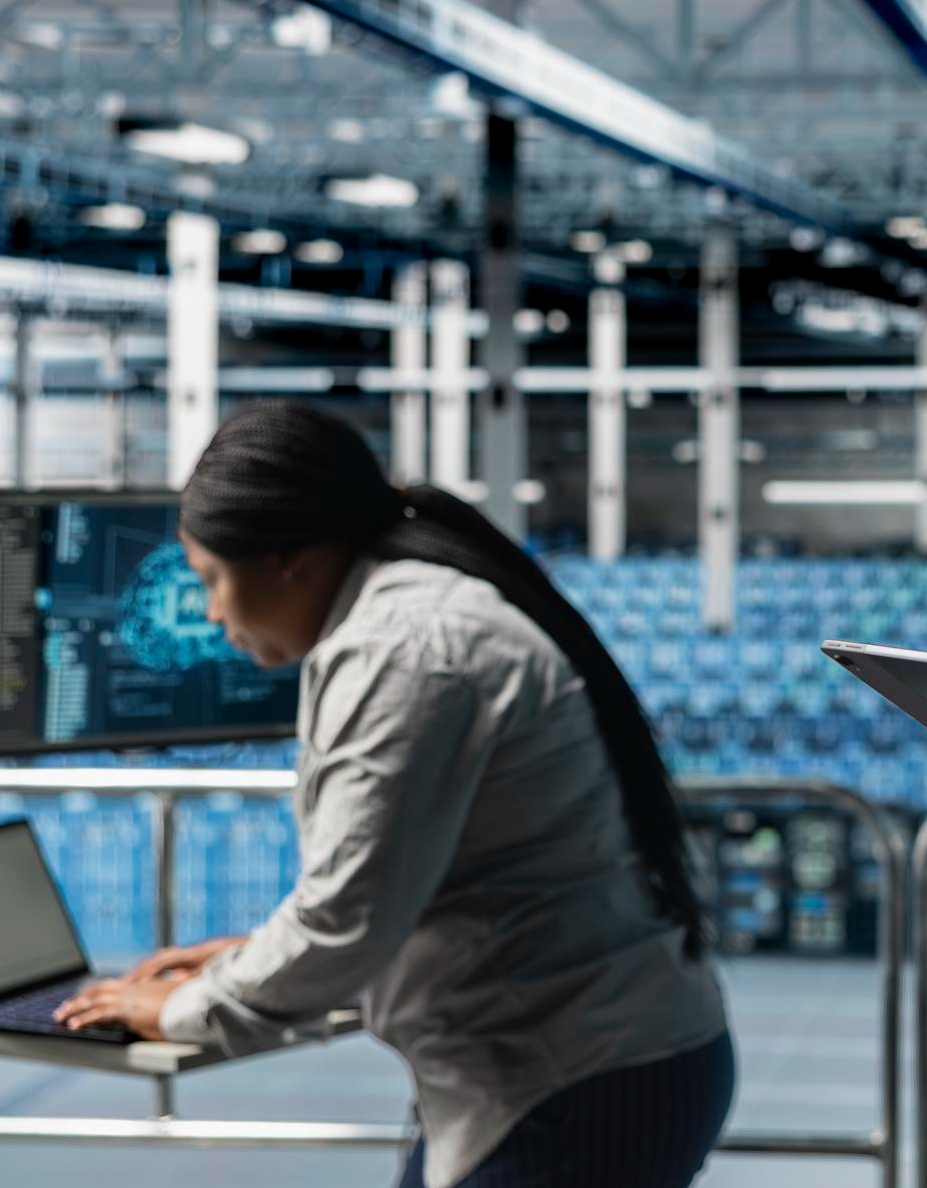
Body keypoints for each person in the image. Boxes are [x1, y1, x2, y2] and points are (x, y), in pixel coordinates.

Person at [52, 400, 735, 1188]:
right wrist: (245, 959)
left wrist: (180, 1009)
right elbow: (401, 896)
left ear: (289, 559)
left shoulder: (402, 651)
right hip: (562, 1066)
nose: (211, 612)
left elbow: (344, 923)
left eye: (211, 579)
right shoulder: (403, 613)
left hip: (578, 1082)